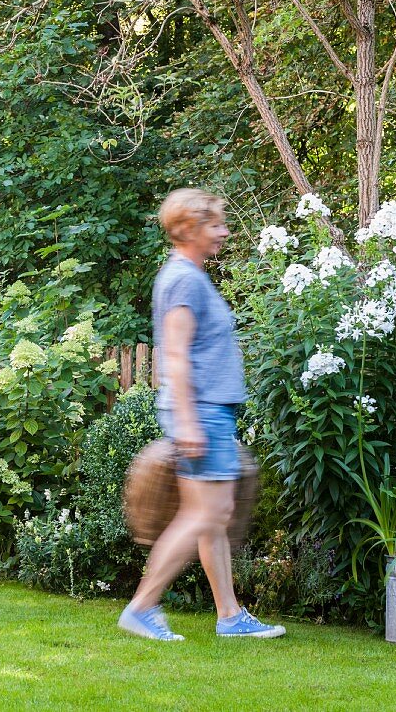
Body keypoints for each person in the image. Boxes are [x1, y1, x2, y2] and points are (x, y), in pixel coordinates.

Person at [117, 188, 285, 641]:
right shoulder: (185, 280)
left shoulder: (189, 275)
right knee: (204, 514)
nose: (224, 232)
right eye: (215, 225)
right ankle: (143, 605)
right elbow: (175, 354)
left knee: (211, 514)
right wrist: (190, 421)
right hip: (201, 412)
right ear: (190, 229)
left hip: (209, 410)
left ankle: (230, 616)